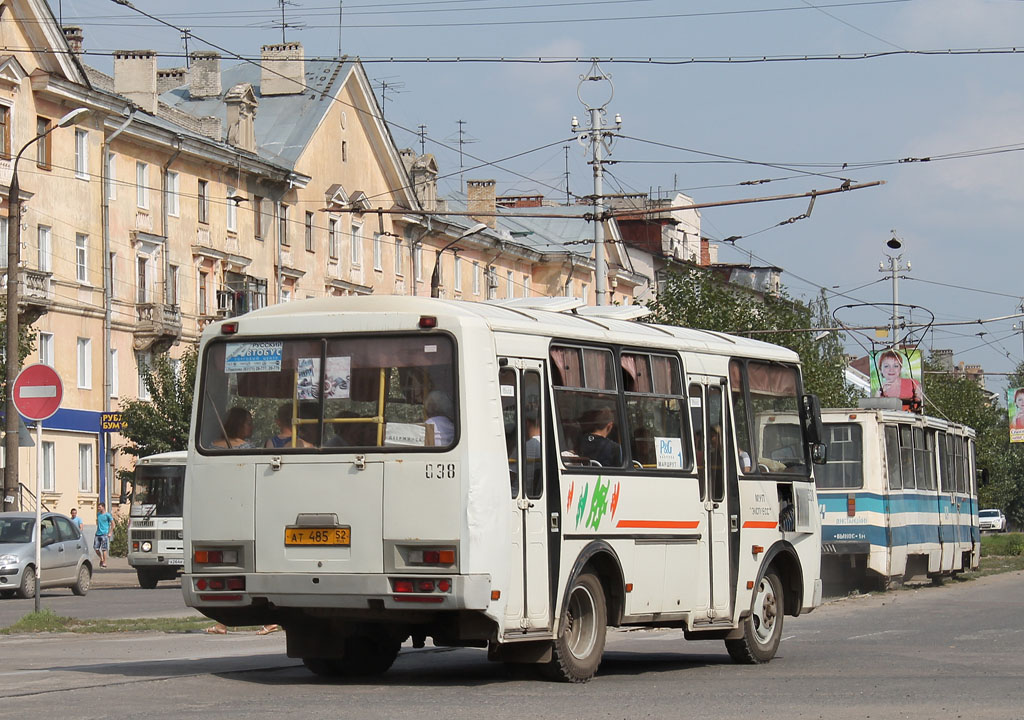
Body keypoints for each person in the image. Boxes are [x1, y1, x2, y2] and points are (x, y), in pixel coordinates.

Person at [94, 502, 113, 569]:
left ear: (103, 507)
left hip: (104, 534)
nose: (98, 508)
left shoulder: (108, 515)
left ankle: (104, 562)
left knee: (104, 549)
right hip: (97, 533)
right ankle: (101, 558)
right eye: (98, 507)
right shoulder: (98, 514)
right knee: (96, 548)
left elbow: (113, 524)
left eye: (100, 507)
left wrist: (110, 532)